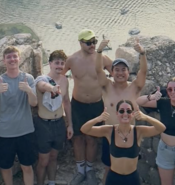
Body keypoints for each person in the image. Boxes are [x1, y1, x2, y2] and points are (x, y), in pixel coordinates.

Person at [63, 29, 113, 185]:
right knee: (77, 138)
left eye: (94, 42)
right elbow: (59, 76)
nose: (92, 45)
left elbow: (118, 73)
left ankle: (89, 170)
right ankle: (80, 170)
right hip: (77, 104)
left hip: (96, 104)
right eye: (89, 43)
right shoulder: (72, 60)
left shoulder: (102, 58)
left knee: (92, 138)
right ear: (80, 43)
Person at [95, 38, 147, 183]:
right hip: (110, 135)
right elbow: (98, 70)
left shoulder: (134, 87)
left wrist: (142, 53)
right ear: (111, 72)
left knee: (130, 169)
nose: (120, 73)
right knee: (108, 169)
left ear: (128, 72)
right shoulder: (107, 86)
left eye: (123, 70)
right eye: (116, 70)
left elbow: (143, 71)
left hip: (130, 135)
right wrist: (99, 51)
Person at [81, 100, 165, 185]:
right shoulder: (109, 131)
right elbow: (84, 129)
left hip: (132, 179)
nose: (125, 114)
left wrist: (146, 117)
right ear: (117, 113)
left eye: (128, 111)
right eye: (121, 111)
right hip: (113, 178)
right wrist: (98, 119)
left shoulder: (138, 131)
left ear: (132, 114)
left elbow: (161, 128)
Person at [0, 46, 38, 185]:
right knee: (5, 167)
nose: (12, 59)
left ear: (19, 59)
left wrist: (28, 90)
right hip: (6, 133)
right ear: (4, 61)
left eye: (15, 56)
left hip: (25, 131)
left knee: (27, 166)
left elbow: (34, 103)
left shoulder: (28, 78)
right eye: (8, 57)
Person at [34, 50, 74, 185]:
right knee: (43, 160)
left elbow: (66, 102)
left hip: (59, 123)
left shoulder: (65, 80)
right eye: (57, 63)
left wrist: (70, 125)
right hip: (44, 125)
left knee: (54, 157)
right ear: (50, 64)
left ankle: (51, 182)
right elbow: (41, 86)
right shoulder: (42, 79)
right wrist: (51, 88)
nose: (59, 66)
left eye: (62, 63)